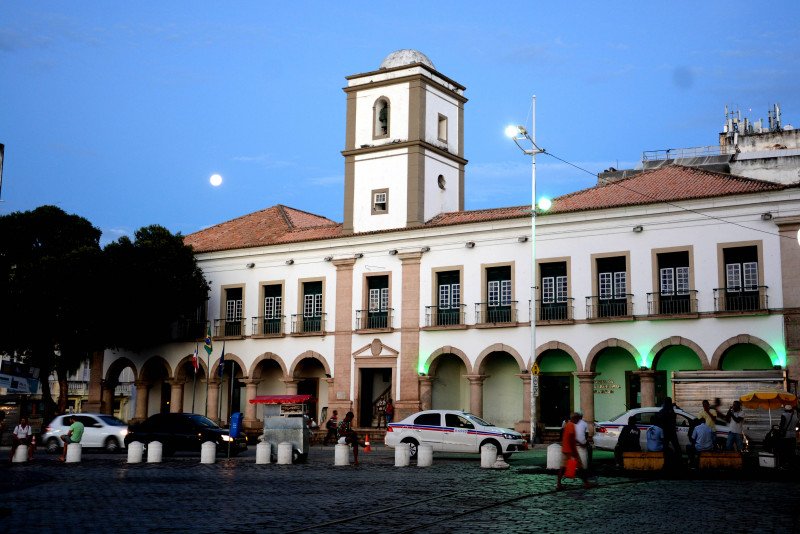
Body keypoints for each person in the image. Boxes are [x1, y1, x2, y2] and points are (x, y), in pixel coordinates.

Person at [556, 413, 594, 490]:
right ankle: (586, 483)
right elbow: (571, 439)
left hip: (566, 449)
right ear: (575, 418)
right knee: (580, 467)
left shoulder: (569, 425)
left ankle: (559, 484)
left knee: (563, 467)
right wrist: (574, 451)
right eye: (578, 419)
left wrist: (580, 443)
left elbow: (573, 438)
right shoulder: (571, 425)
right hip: (571, 450)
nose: (579, 421)